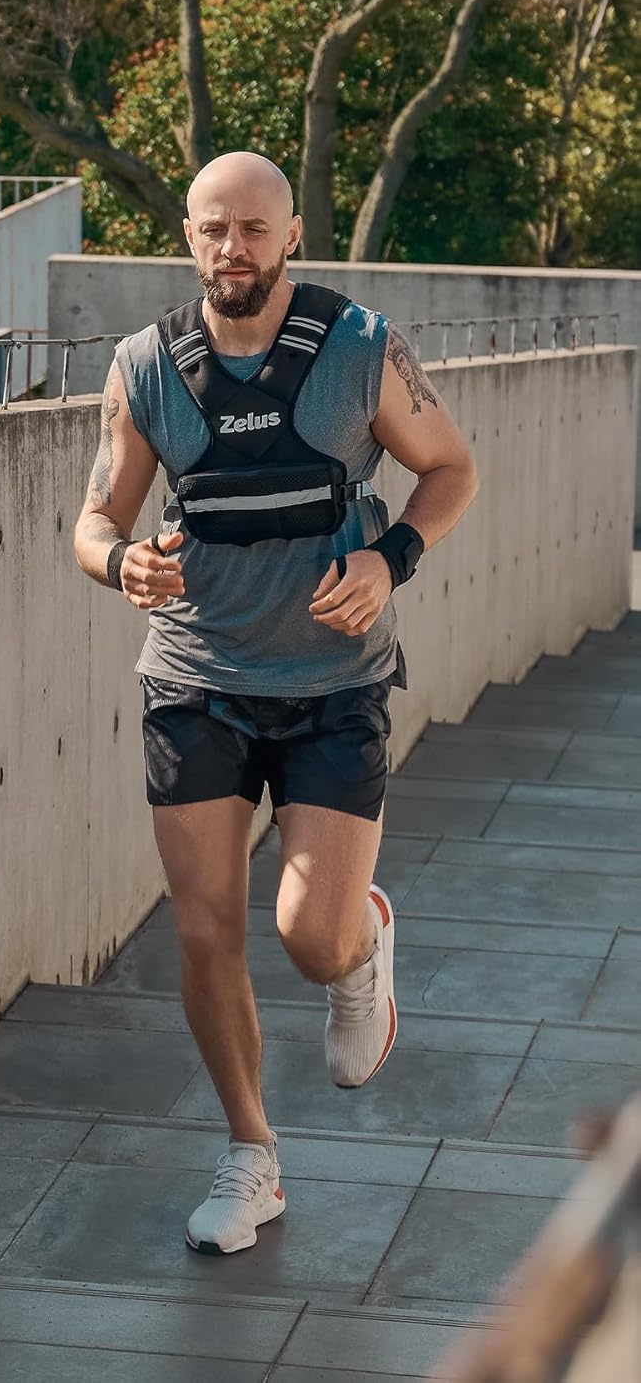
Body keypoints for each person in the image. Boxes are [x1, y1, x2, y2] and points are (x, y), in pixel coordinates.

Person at [72, 150, 478, 1256]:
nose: (230, 250)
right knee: (205, 932)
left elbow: (450, 467)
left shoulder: (358, 348)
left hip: (333, 686)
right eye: (212, 229)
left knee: (304, 937)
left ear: (292, 233)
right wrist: (120, 565)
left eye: (253, 229)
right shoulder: (146, 363)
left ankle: (357, 944)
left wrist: (391, 556)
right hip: (195, 679)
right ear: (189, 236)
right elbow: (93, 520)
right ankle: (252, 1156)